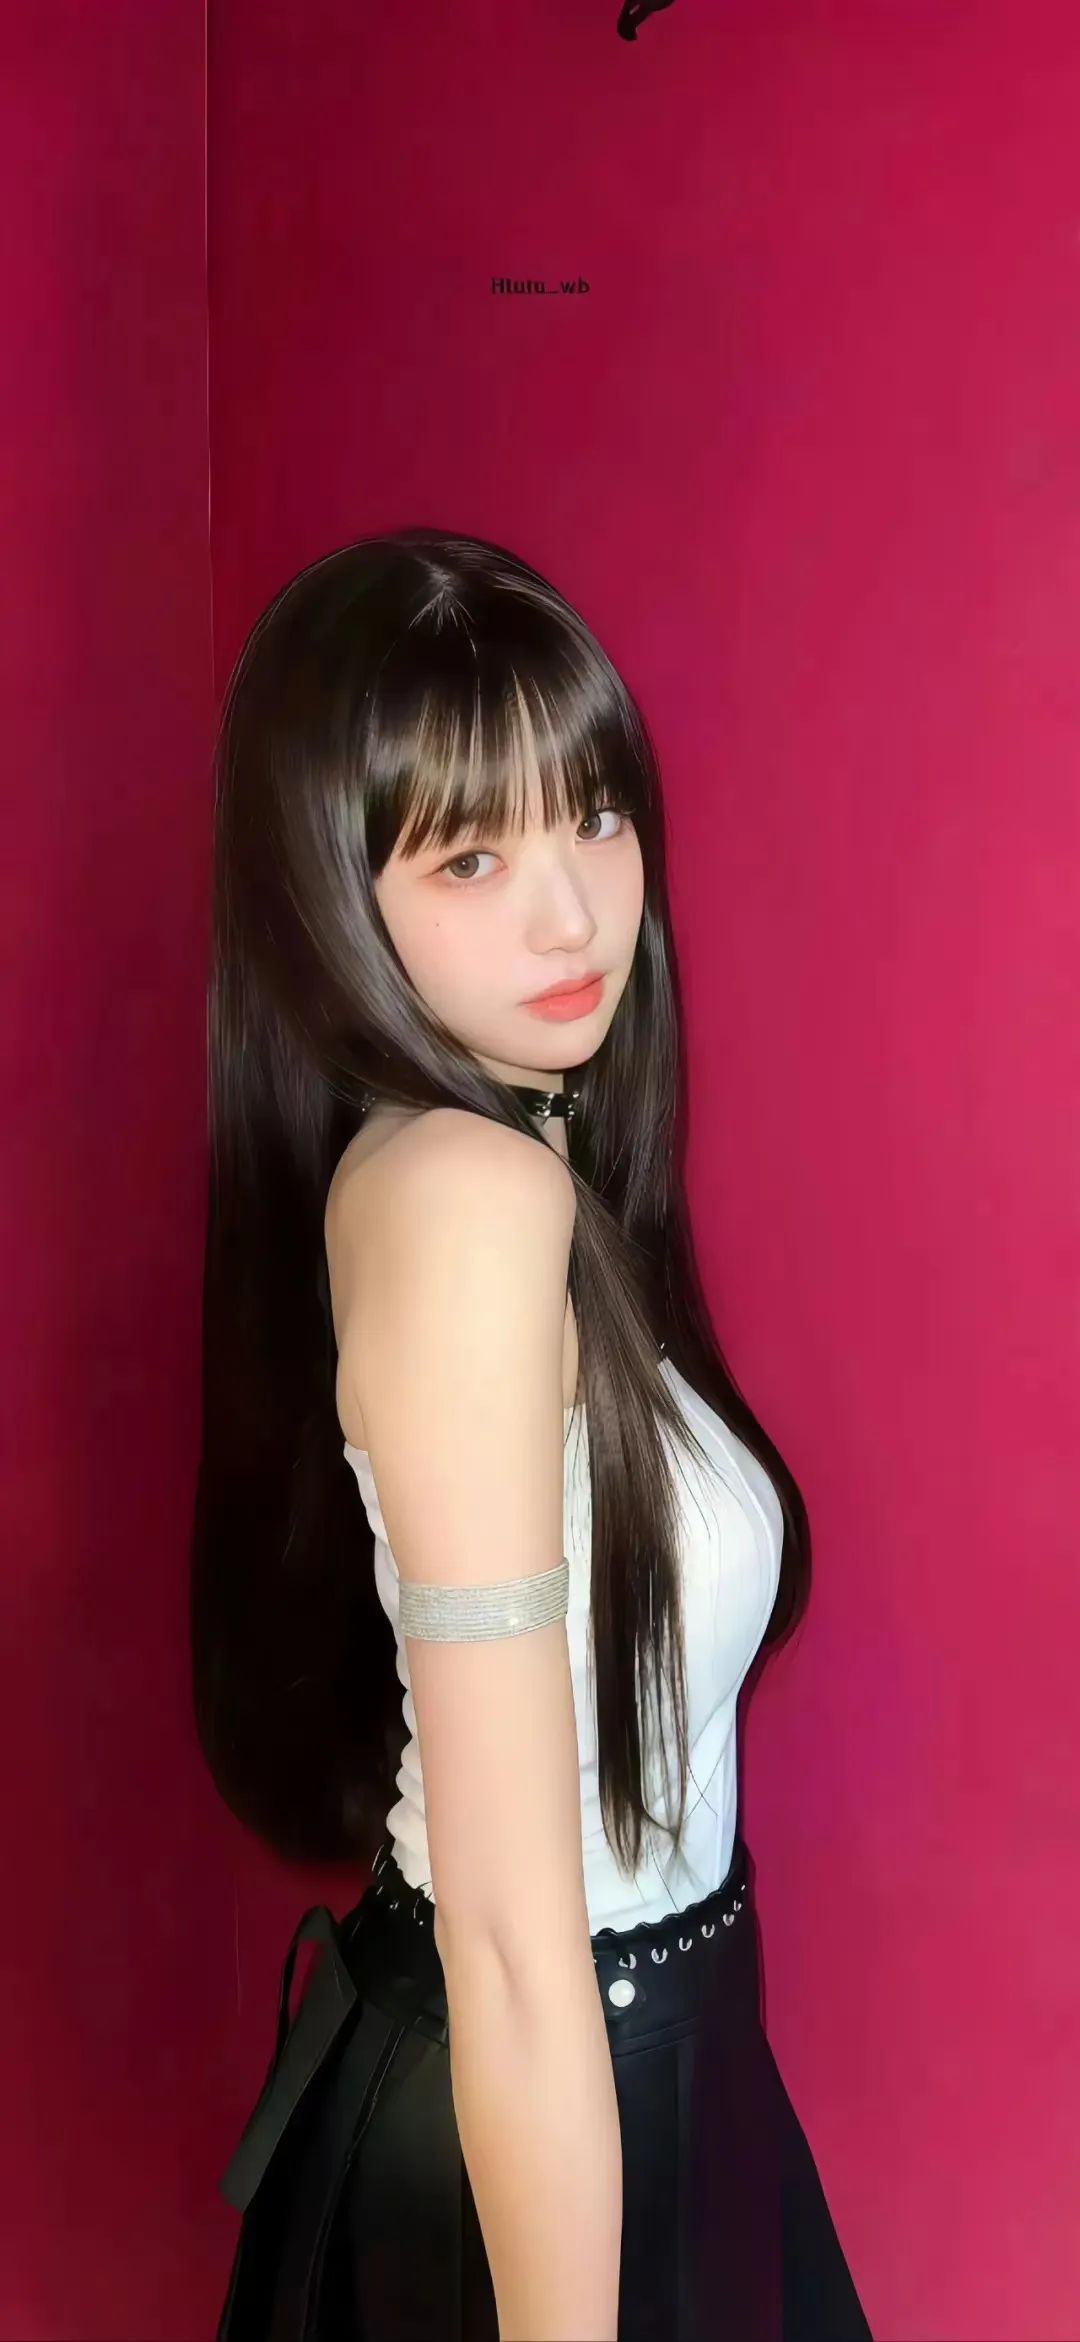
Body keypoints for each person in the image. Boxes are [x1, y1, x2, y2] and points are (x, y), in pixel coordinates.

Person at [191, 525, 873, 2340]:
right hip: (538, 2115)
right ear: (329, 893)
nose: (575, 914)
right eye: (472, 853)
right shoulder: (468, 1198)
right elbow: (509, 1940)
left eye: (595, 813)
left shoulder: (511, 1159)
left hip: (636, 2076)